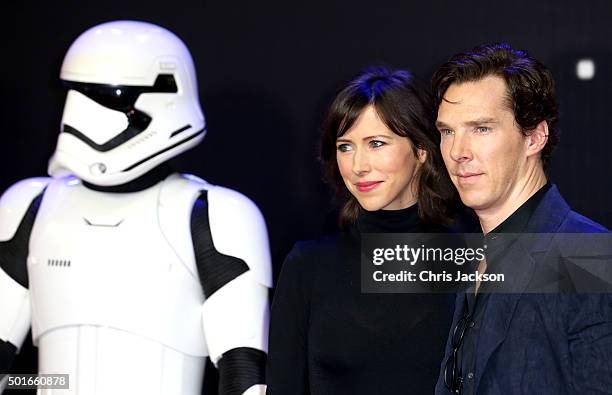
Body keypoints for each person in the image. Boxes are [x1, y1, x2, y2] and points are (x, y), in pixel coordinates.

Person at [0, 21, 270, 394]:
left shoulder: (214, 214)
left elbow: (244, 372)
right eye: (75, 92)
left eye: (109, 95)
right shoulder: (31, 205)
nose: (81, 113)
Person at [266, 67, 462, 394]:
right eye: (345, 146)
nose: (358, 166)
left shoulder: (470, 261)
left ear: (421, 151)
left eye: (376, 143)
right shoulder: (308, 267)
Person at [432, 43, 612, 395]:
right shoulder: (472, 260)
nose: (457, 152)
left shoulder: (589, 255)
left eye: (481, 128)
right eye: (447, 131)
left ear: (534, 136)